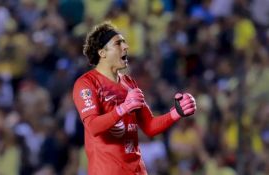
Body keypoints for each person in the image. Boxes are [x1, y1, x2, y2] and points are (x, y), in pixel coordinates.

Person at [72, 21, 197, 175]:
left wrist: (176, 113)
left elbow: (149, 126)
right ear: (102, 53)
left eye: (124, 43)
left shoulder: (129, 82)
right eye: (118, 44)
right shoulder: (87, 83)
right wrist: (124, 108)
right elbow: (92, 126)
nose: (126, 47)